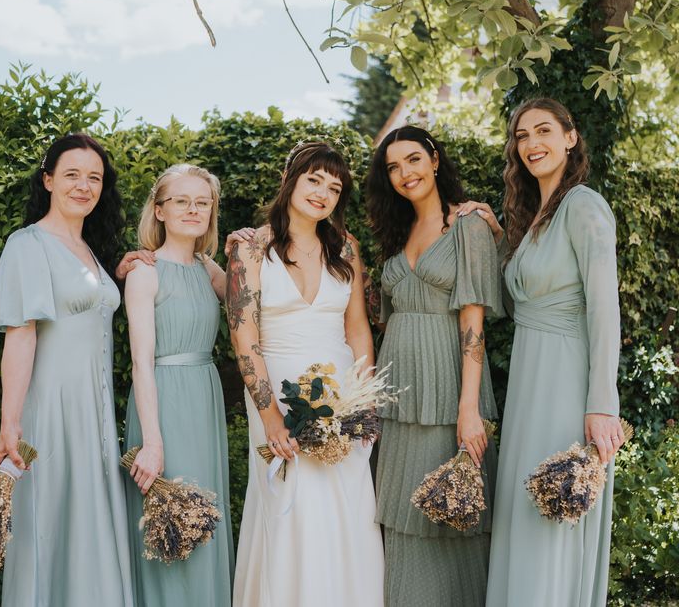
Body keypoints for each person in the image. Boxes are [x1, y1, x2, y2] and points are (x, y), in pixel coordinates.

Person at [460, 97, 624, 607]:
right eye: (522, 135)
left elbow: (604, 309)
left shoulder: (584, 205)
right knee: (523, 509)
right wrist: (493, 234)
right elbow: (516, 305)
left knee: (554, 505)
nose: (532, 143)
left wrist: (602, 405)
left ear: (570, 138)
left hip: (567, 379)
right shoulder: (534, 221)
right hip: (531, 377)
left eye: (544, 130)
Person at [228, 142, 384, 607]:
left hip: (341, 397)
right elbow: (244, 336)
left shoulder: (346, 249)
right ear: (291, 178)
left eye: (334, 188)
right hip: (276, 391)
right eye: (314, 179)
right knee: (290, 508)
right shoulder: (251, 247)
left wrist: (364, 400)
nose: (323, 193)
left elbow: (357, 329)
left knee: (346, 508)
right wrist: (271, 415)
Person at [0, 133, 133, 606]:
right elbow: (21, 334)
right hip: (49, 409)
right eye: (72, 175)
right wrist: (11, 426)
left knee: (88, 528)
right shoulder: (27, 244)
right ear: (48, 180)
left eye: (94, 178)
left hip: (93, 413)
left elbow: (87, 306)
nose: (84, 186)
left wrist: (121, 271)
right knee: (47, 526)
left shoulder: (90, 251)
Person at [365, 125, 502, 606]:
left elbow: (474, 322)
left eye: (414, 160)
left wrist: (468, 408)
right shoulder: (395, 234)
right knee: (400, 518)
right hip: (398, 396)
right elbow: (385, 323)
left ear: (436, 160)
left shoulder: (468, 225)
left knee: (453, 517)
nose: (405, 173)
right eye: (394, 167)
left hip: (449, 393)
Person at [122, 164, 235, 606]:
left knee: (205, 518)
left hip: (203, 403)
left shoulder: (209, 269)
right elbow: (140, 362)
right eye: (181, 201)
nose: (193, 209)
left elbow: (256, 303)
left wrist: (248, 245)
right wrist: (152, 442)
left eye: (202, 202)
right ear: (160, 210)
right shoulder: (144, 271)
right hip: (162, 405)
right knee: (168, 525)